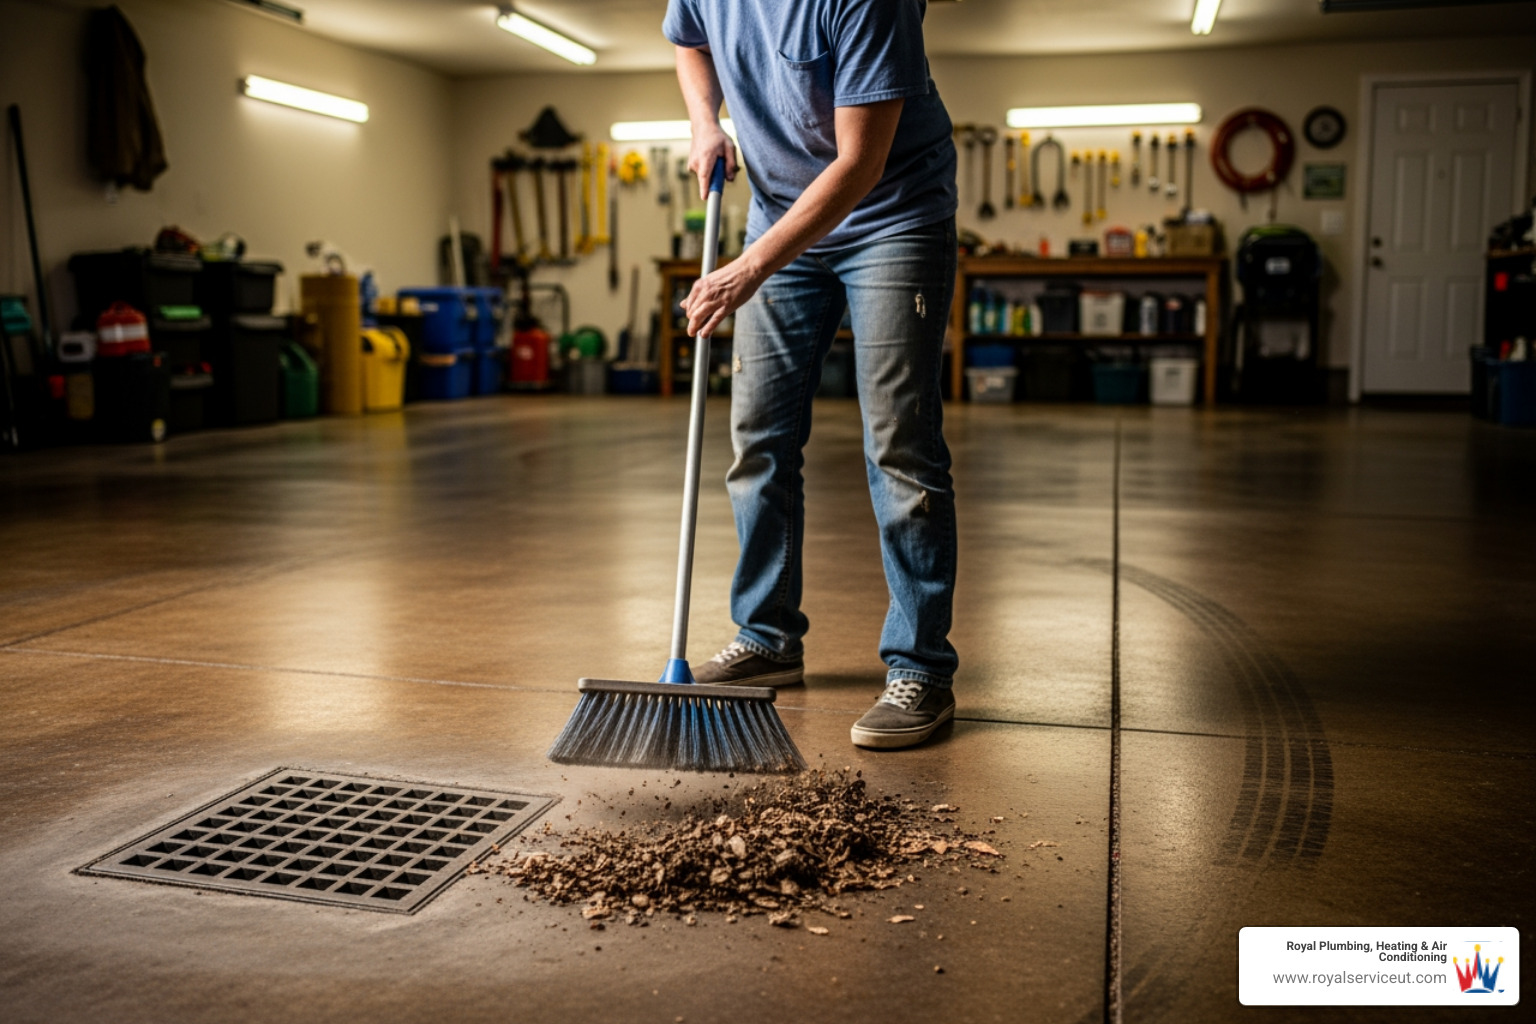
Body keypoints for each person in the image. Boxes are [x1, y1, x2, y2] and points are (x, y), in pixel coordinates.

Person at [664, 0, 959, 750]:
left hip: (891, 217)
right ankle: (767, 635)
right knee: (758, 437)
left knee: (900, 445)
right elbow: (689, 40)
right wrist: (706, 122)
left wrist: (749, 269)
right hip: (776, 209)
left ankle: (920, 666)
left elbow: (859, 163)